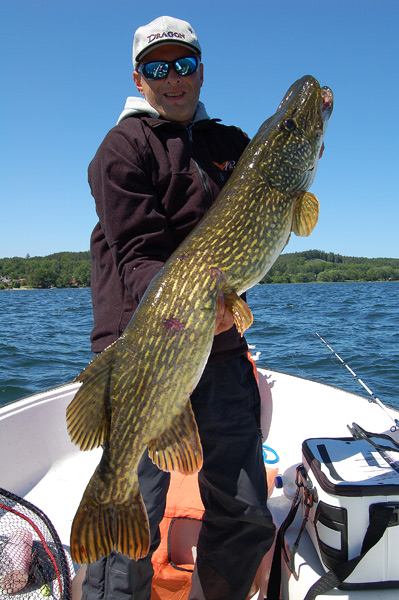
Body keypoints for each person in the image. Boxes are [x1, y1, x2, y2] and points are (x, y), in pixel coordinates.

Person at [82, 15, 275, 600]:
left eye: (184, 64)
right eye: (158, 67)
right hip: (140, 348)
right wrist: (193, 305)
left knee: (243, 510)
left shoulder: (232, 145)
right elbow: (138, 257)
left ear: (200, 70)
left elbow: (255, 232)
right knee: (130, 520)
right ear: (138, 78)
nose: (173, 78)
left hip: (216, 347)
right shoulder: (121, 149)